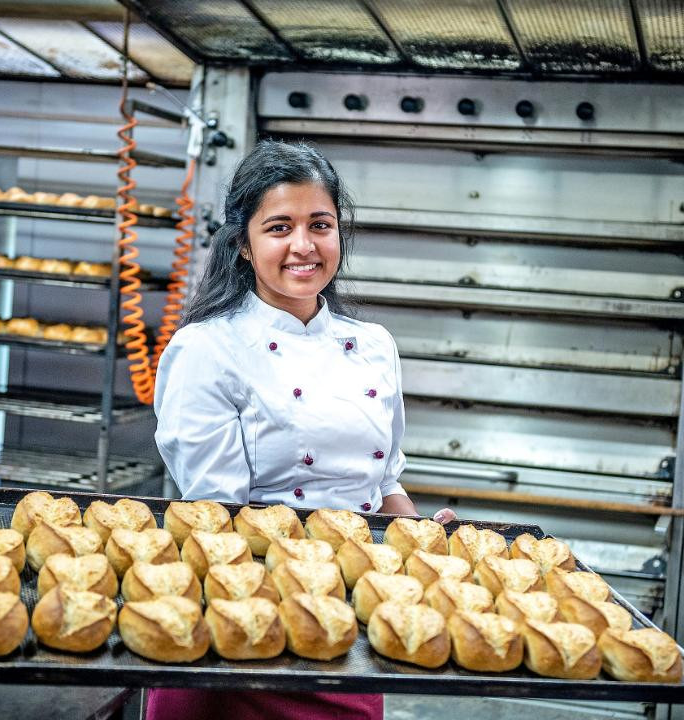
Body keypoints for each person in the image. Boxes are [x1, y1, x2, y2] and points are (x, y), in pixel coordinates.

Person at [149, 140, 455, 720]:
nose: (303, 245)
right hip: (241, 634)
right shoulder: (207, 349)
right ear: (243, 242)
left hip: (347, 631)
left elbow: (384, 490)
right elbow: (216, 520)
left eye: (321, 224)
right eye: (279, 227)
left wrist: (420, 546)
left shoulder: (373, 347)